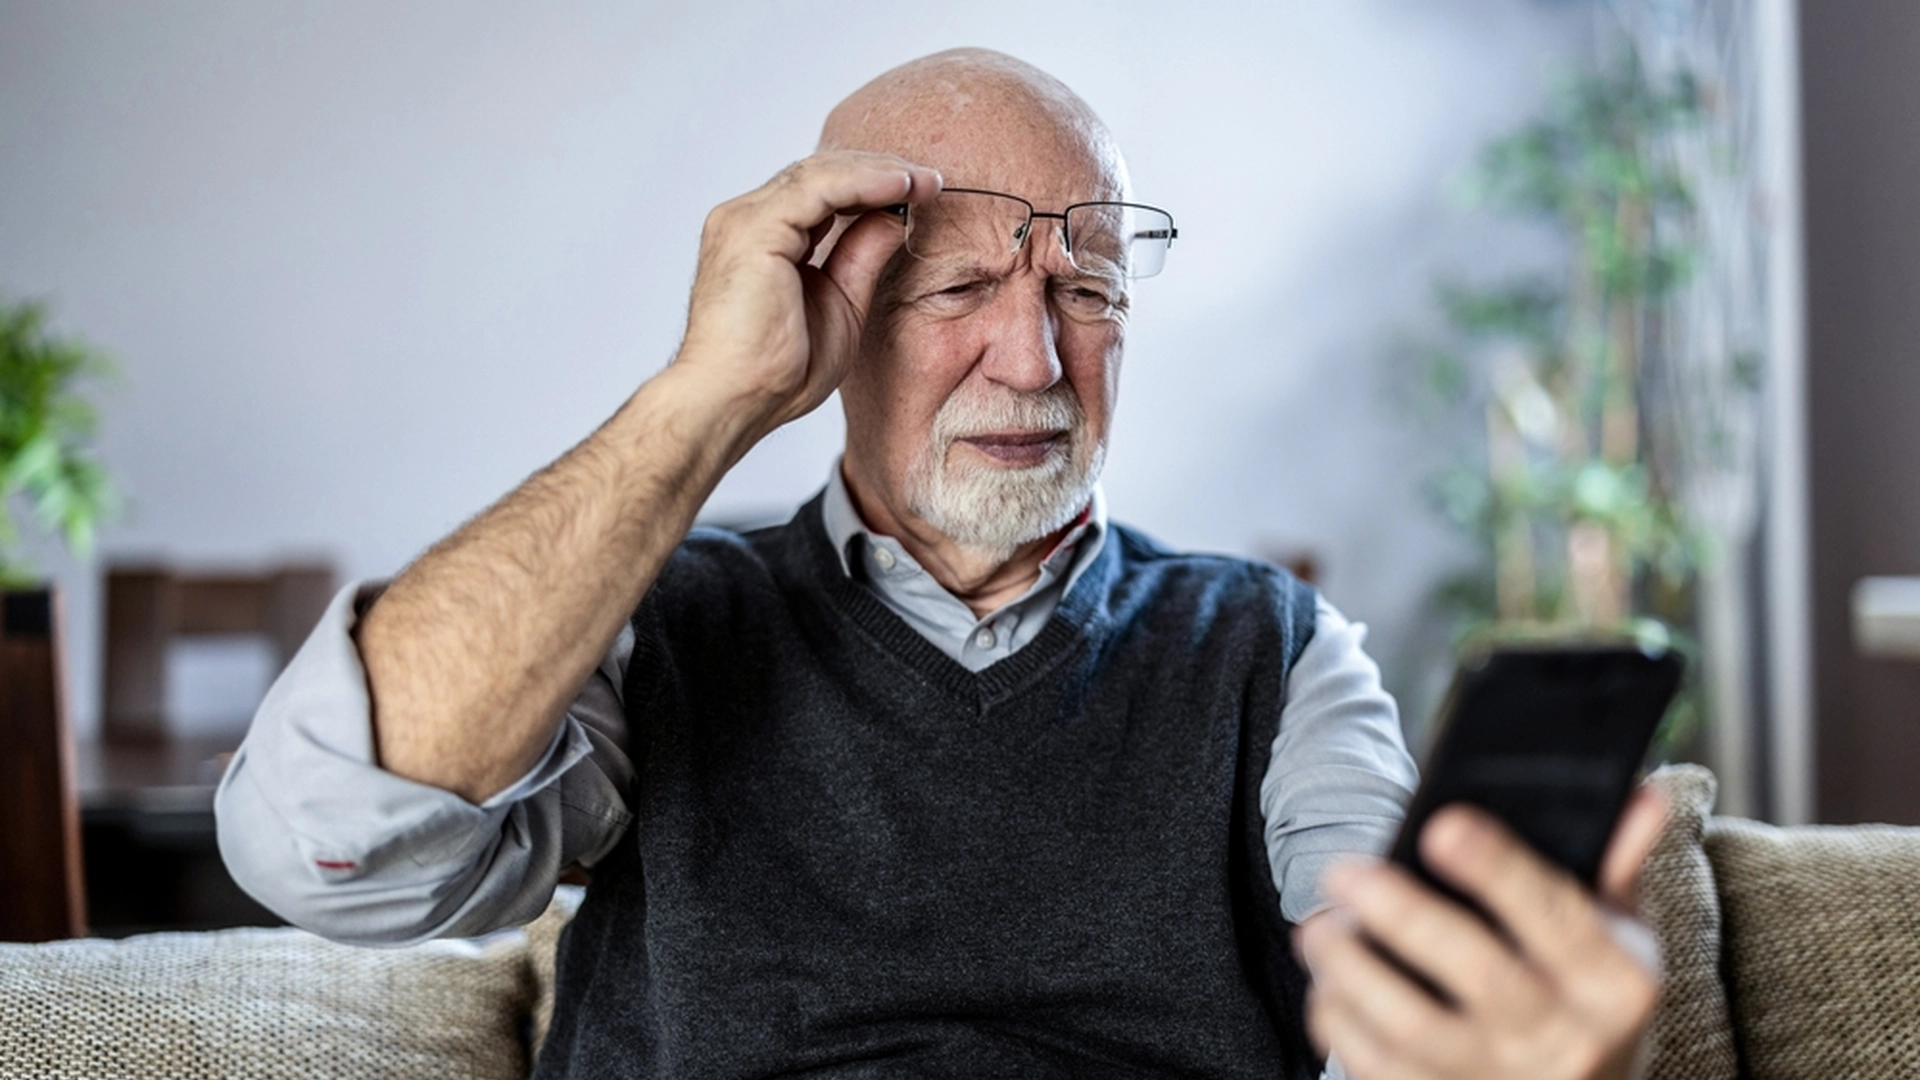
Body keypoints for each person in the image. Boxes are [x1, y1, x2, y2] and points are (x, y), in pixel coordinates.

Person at [215, 48, 1663, 1080]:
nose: (1034, 360)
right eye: (960, 287)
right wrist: (701, 402)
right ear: (825, 323)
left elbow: (1386, 979)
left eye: (1084, 291)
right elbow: (327, 852)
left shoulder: (1270, 649)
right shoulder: (661, 617)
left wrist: (1484, 1042)